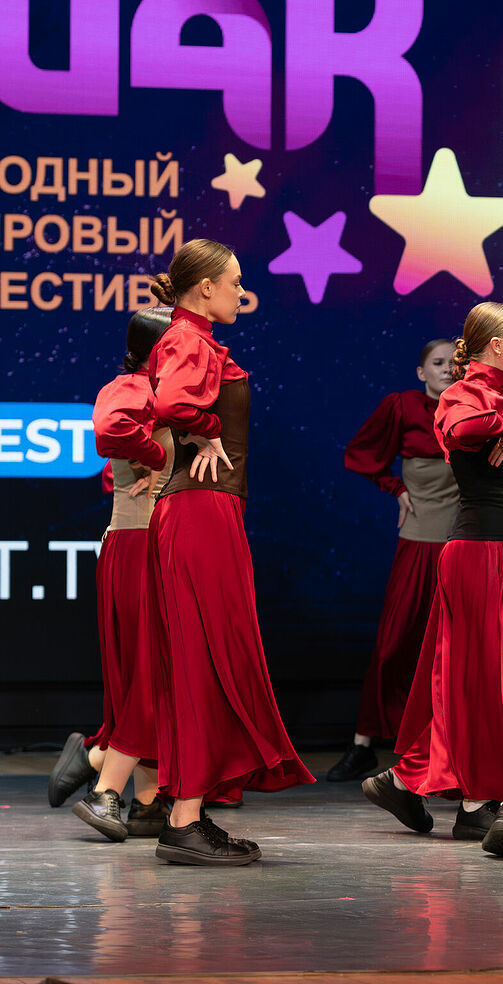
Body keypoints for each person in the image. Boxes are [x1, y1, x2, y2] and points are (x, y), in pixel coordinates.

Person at [145, 239, 314, 864]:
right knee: (202, 660)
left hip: (209, 509)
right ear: (205, 288)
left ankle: (189, 812)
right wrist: (209, 429)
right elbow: (171, 403)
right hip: (199, 511)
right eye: (235, 282)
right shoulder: (188, 340)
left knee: (211, 660)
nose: (243, 293)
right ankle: (184, 820)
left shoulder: (197, 338)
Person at [362, 302, 503, 852]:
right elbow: (464, 427)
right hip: (477, 556)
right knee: (483, 683)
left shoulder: (500, 396)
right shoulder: (463, 394)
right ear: (496, 345)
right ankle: (464, 798)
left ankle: (446, 793)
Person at [61, 308, 175, 841]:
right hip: (137, 546)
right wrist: (154, 456)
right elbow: (111, 429)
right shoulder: (131, 387)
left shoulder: (170, 394)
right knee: (148, 679)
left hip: (161, 547)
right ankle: (104, 785)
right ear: (159, 350)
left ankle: (146, 799)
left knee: (158, 679)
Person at [327, 339, 458, 783]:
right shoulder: (403, 407)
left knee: (451, 653)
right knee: (393, 645)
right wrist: (395, 488)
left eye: (454, 363)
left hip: (465, 546)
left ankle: (443, 749)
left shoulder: (478, 409)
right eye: (438, 363)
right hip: (418, 544)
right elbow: (361, 454)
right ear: (421, 372)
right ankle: (364, 744)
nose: (447, 369)